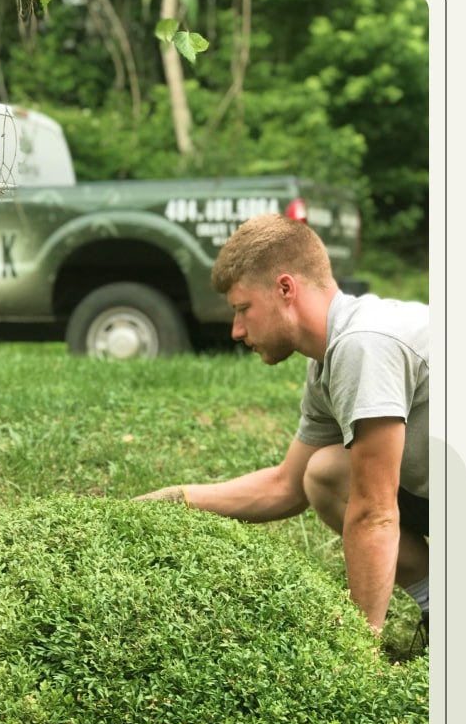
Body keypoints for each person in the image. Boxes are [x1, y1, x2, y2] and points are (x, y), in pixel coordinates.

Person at [134, 213, 429, 645]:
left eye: (242, 309)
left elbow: (374, 513)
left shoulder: (364, 344)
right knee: (325, 472)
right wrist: (178, 499)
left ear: (285, 289)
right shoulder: (329, 357)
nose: (236, 330)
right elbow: (286, 486)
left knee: (361, 494)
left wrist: (356, 655)